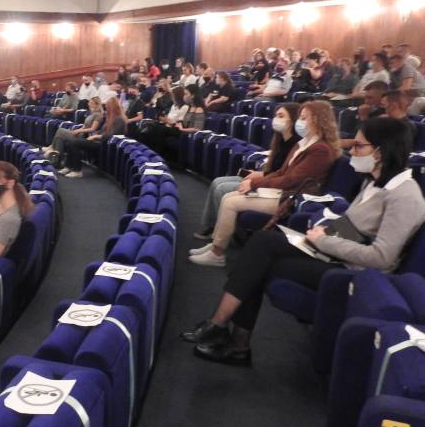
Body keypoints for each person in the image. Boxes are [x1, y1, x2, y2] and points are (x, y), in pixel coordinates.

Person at [181, 116, 425, 365]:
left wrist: (323, 241)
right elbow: (355, 225)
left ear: (380, 152)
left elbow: (381, 257)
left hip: (355, 272)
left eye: (359, 146)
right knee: (262, 242)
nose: (351, 150)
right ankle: (228, 335)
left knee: (258, 264)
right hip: (334, 252)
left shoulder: (405, 196)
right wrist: (325, 231)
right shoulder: (374, 181)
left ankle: (226, 333)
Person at [189, 101, 341, 267]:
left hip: (290, 198)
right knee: (228, 197)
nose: (300, 122)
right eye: (300, 117)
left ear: (318, 120)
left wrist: (255, 184)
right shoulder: (304, 143)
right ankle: (216, 244)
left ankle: (217, 254)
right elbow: (282, 172)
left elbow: (292, 180)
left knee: (231, 203)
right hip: (282, 190)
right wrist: (255, 182)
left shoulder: (320, 150)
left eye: (305, 118)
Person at [193, 103, 300, 240]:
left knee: (222, 188)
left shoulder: (295, 144)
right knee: (217, 182)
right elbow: (274, 168)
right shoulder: (279, 139)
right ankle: (213, 225)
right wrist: (258, 173)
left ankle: (222, 232)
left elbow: (283, 174)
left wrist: (260, 176)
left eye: (281, 116)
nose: (276, 119)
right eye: (276, 116)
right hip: (264, 176)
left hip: (270, 184)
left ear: (292, 119)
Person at [62, 96, 126, 178]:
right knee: (71, 141)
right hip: (99, 141)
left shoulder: (120, 119)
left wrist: (96, 136)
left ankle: (77, 171)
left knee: (74, 143)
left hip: (104, 144)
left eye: (107, 106)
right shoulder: (111, 118)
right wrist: (95, 133)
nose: (105, 107)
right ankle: (68, 166)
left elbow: (112, 135)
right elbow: (102, 131)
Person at [43, 97, 104, 168]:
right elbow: (84, 126)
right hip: (80, 133)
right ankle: (57, 161)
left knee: (60, 131)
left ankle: (53, 149)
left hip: (84, 136)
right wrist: (77, 130)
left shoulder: (98, 115)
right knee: (59, 138)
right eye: (89, 102)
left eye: (91, 103)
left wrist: (79, 131)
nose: (88, 104)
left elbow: (92, 129)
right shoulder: (91, 113)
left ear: (96, 104)